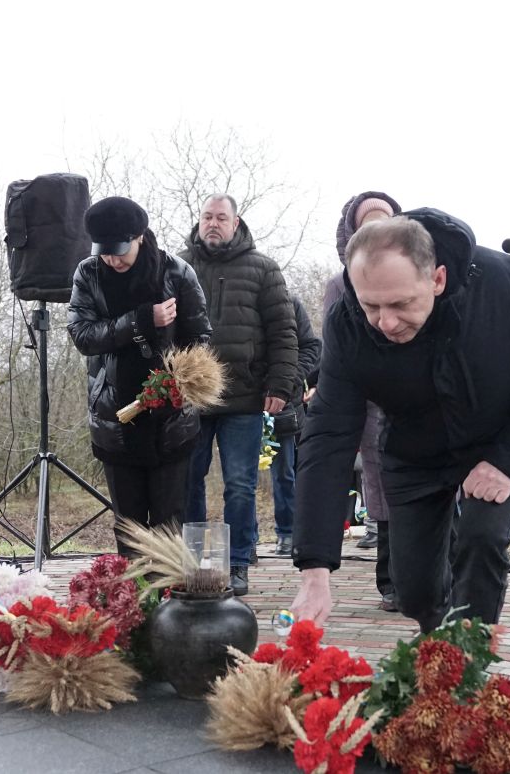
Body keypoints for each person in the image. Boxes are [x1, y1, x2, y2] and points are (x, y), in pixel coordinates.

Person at [291, 209, 510, 632]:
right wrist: (315, 569)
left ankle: (468, 655)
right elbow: (328, 436)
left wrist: (508, 462)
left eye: (400, 304)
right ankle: (440, 640)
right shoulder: (347, 324)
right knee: (413, 591)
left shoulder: (500, 283)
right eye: (371, 305)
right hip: (414, 450)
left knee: (481, 539)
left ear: (437, 279)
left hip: (498, 441)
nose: (385, 322)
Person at [67, 196, 211, 557]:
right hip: (114, 417)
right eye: (104, 252)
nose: (112, 260)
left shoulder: (177, 272)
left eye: (120, 251)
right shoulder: (87, 273)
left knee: (169, 523)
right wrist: (141, 321)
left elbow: (200, 338)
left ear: (140, 237)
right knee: (128, 525)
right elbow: (83, 336)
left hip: (171, 419)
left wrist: (178, 383)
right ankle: (132, 590)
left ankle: (169, 591)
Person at [181, 193, 298, 596]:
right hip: (191, 399)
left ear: (235, 223)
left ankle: (237, 564)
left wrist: (281, 385)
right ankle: (195, 565)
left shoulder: (263, 268)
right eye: (207, 217)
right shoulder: (178, 265)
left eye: (221, 218)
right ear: (199, 221)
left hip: (244, 397)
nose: (213, 224)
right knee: (187, 480)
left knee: (240, 484)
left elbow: (284, 332)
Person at [322, 190, 403, 610]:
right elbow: (334, 352)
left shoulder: (417, 273)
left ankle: (432, 572)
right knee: (380, 486)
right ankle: (390, 579)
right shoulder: (339, 286)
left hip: (413, 396)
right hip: (369, 403)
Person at [266, 296, 321, 557]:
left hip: (283, 405)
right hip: (240, 401)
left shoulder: (290, 303)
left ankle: (287, 532)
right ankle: (245, 544)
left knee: (284, 473)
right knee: (239, 478)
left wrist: (290, 379)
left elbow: (312, 346)